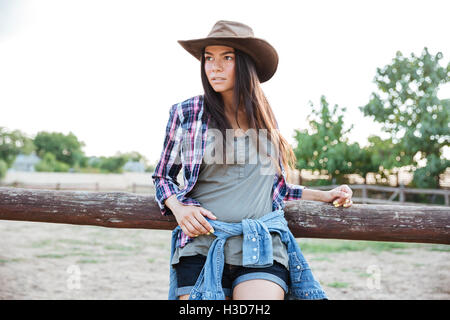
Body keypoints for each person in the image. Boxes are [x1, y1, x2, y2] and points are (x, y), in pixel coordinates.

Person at [152, 20, 353, 300]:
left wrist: (325, 195)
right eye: (209, 58)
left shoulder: (264, 118)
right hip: (201, 244)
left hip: (260, 244)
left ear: (246, 64)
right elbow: (163, 177)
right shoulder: (187, 112)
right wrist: (179, 209)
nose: (214, 67)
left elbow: (276, 188)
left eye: (227, 57)